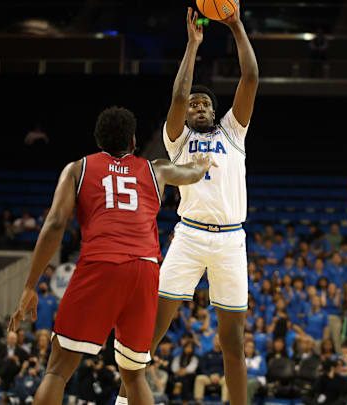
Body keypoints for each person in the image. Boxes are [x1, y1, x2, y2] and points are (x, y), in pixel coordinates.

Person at [8, 105, 217, 405]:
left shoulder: (77, 169)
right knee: (134, 374)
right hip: (145, 269)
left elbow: (55, 224)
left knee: (56, 370)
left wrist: (30, 285)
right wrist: (205, 162)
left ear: (98, 141)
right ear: (133, 141)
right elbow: (192, 172)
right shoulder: (155, 169)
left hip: (102, 263)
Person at [120, 6, 259, 405]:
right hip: (189, 238)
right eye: (194, 105)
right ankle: (122, 399)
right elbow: (179, 93)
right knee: (150, 332)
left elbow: (250, 76)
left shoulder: (234, 131)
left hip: (231, 243)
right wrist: (193, 44)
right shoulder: (177, 140)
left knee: (232, 343)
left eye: (204, 105)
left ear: (215, 112)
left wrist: (235, 25)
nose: (198, 107)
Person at [194, 335, 228, 403]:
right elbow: (203, 368)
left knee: (227, 380)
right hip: (209, 377)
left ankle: (225, 402)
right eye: (216, 339)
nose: (217, 341)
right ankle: (198, 401)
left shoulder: (226, 355)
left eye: (219, 339)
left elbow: (227, 369)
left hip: (221, 377)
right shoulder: (207, 354)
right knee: (199, 378)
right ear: (213, 341)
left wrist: (219, 376)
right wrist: (210, 376)